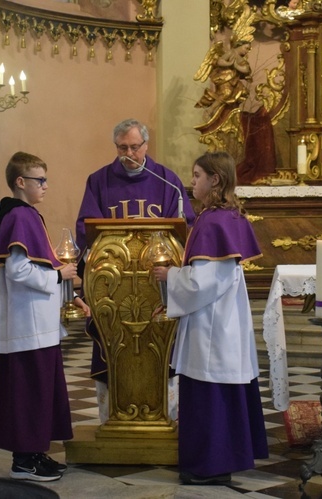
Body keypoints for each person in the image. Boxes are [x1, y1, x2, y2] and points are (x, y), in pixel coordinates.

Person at [153, 151, 268, 485]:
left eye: (197, 175)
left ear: (215, 180)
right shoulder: (226, 217)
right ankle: (214, 462)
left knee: (210, 395)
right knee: (218, 391)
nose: (193, 182)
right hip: (220, 319)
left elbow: (204, 282)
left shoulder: (214, 221)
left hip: (212, 325)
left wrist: (169, 276)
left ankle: (211, 466)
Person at [75, 118, 196, 422]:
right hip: (113, 288)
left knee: (160, 350)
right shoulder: (99, 181)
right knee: (114, 346)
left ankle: (165, 419)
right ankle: (112, 421)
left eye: (134, 147)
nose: (129, 153)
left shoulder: (166, 180)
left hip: (158, 286)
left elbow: (185, 228)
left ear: (146, 145)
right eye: (122, 148)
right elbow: (85, 230)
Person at [0, 152, 89, 482]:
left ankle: (35, 454)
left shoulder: (27, 215)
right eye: (40, 180)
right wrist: (60, 278)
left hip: (38, 324)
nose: (45, 186)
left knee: (40, 392)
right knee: (28, 393)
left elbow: (42, 266)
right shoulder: (20, 217)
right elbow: (19, 271)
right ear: (21, 182)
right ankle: (23, 462)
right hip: (27, 325)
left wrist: (71, 294)